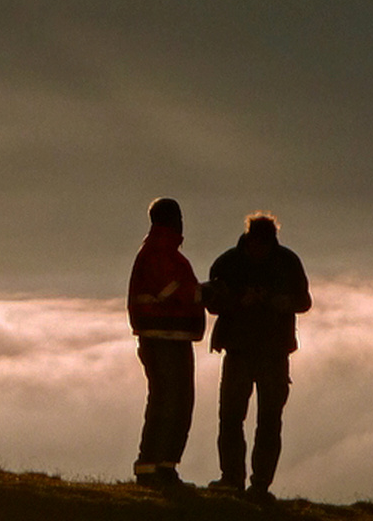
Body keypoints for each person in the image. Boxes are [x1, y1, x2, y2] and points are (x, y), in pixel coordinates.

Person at [202, 211, 311, 498]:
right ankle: (234, 479)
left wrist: (279, 302)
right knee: (233, 416)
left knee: (267, 419)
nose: (259, 250)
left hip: (271, 353)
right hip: (242, 351)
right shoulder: (232, 263)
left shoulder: (280, 262)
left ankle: (257, 483)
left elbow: (303, 301)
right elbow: (211, 303)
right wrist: (242, 301)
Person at [126, 196, 205, 489]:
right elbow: (177, 290)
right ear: (173, 220)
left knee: (167, 400)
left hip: (162, 337)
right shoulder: (162, 253)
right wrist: (208, 293)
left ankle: (158, 466)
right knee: (173, 400)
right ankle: (156, 467)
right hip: (166, 338)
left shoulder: (155, 251)